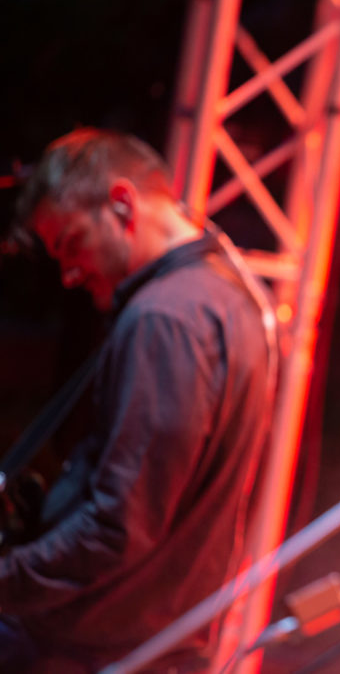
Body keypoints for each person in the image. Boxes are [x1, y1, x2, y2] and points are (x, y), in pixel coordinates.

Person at [0, 128, 277, 671]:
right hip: (147, 643)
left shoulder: (163, 318)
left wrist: (8, 581)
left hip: (85, 647)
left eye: (71, 243)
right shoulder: (225, 299)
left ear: (122, 203)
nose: (69, 274)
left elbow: (119, 527)